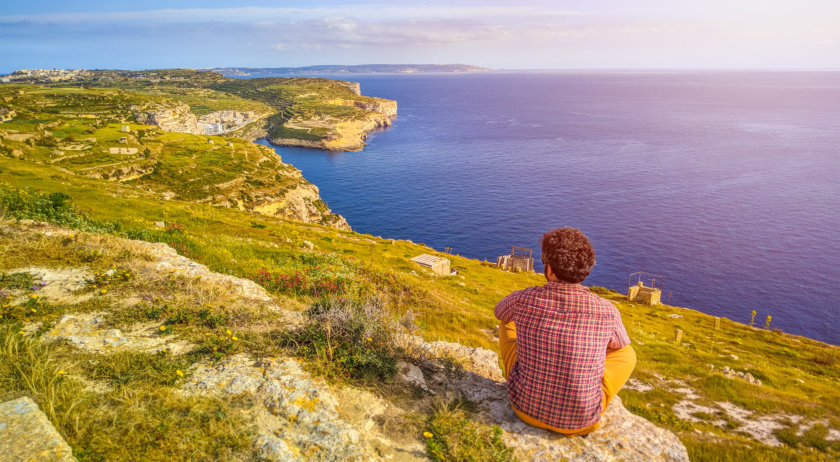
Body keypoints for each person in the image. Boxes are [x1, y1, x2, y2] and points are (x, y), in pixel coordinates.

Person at [495, 227, 636, 437]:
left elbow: (499, 312)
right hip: (581, 422)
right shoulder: (607, 311)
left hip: (523, 408)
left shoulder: (523, 299)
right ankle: (584, 393)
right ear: (586, 269)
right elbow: (618, 344)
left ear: (549, 270)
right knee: (627, 354)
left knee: (507, 323)